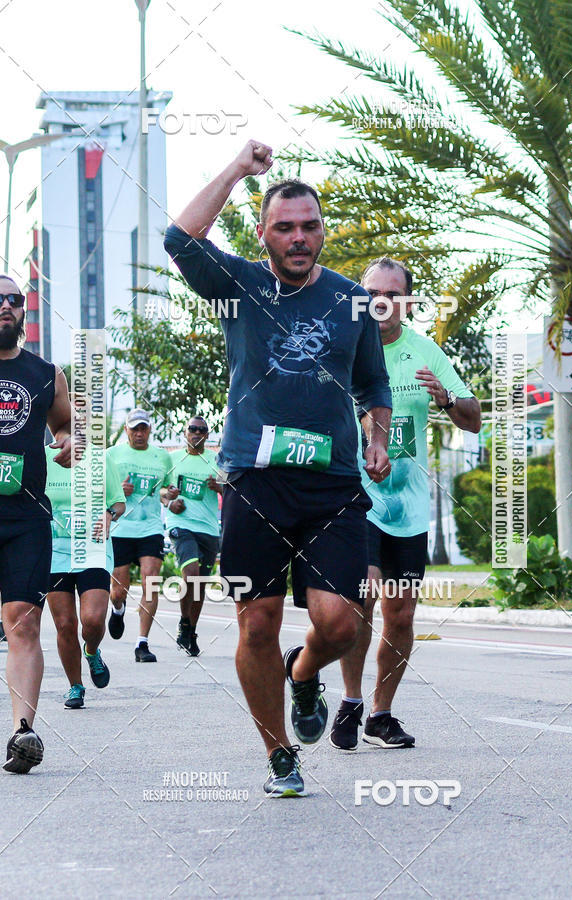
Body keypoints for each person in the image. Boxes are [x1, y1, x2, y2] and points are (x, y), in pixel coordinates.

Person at [164, 140, 392, 797]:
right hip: (254, 480)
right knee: (256, 622)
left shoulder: (353, 302)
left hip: (331, 488)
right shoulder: (238, 283)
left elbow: (373, 386)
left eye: (309, 226)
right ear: (263, 232)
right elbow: (179, 237)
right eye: (284, 226)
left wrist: (376, 440)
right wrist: (237, 168)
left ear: (324, 230)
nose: (298, 238)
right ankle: (280, 757)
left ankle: (303, 673)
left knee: (343, 623)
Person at [329, 257, 481, 751]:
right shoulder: (342, 348)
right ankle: (350, 699)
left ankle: (381, 713)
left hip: (409, 507)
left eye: (394, 294)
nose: (383, 302)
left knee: (401, 614)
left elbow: (473, 418)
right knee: (363, 598)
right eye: (374, 292)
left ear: (407, 301)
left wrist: (446, 400)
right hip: (356, 498)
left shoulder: (425, 351)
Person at [0, 275, 72, 773]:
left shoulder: (46, 373)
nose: (4, 305)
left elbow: (65, 425)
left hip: (26, 515)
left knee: (23, 618)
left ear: (23, 310)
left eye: (12, 298)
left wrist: (68, 441)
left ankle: (23, 732)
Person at [46, 446, 125, 707]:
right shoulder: (42, 456)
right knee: (65, 624)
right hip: (55, 552)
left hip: (93, 549)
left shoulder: (101, 458)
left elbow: (118, 501)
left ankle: (91, 652)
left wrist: (109, 513)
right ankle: (75, 686)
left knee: (91, 621)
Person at [106, 409, 172, 662]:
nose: (139, 433)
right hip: (121, 527)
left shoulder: (161, 457)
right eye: (134, 428)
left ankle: (142, 643)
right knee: (118, 589)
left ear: (149, 430)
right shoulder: (112, 455)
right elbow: (96, 485)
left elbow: (164, 488)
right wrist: (118, 488)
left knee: (151, 581)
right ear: (126, 430)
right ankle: (118, 608)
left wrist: (169, 495)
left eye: (143, 428)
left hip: (150, 528)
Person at [161, 415, 221, 657]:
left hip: (208, 528)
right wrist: (169, 501)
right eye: (192, 429)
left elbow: (232, 490)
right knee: (192, 574)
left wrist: (220, 487)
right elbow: (161, 490)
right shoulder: (173, 459)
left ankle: (189, 628)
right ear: (185, 433)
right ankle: (186, 623)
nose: (197, 433)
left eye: (202, 430)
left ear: (207, 435)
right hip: (181, 524)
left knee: (201, 585)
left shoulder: (217, 460)